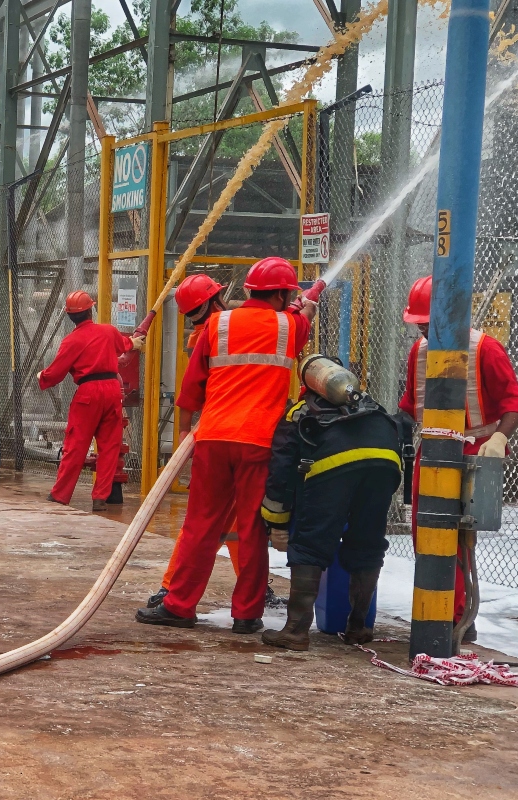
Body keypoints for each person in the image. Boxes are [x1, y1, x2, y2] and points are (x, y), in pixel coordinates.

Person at [136, 257, 316, 632]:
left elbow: (192, 386)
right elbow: (301, 321)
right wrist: (307, 305)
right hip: (260, 441)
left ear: (248, 290)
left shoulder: (217, 324)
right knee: (252, 528)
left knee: (200, 524)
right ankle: (247, 615)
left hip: (214, 437)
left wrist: (186, 433)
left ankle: (179, 605)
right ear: (283, 294)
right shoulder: (289, 325)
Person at [398, 275, 518, 641]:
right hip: (431, 452)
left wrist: (500, 436)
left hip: (473, 452)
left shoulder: (486, 349)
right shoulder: (419, 351)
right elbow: (410, 404)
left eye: (426, 322)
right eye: (418, 323)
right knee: (426, 535)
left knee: (457, 539)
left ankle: (455, 617)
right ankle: (438, 611)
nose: (421, 329)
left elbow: (514, 402)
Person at [259, 356, 404, 651]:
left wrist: (276, 520)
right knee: (367, 543)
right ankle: (360, 626)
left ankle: (296, 631)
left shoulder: (300, 412)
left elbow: (282, 469)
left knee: (311, 543)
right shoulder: (370, 405)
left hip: (332, 467)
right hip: (385, 463)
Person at [144, 274, 240, 608]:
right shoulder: (215, 332)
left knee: (227, 524)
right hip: (238, 434)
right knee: (214, 523)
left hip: (216, 432)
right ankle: (172, 588)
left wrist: (185, 431)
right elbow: (191, 390)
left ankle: (172, 588)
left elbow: (189, 392)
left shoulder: (205, 333)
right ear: (217, 297)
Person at [38, 291, 145, 512]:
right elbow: (125, 345)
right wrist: (133, 343)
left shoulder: (71, 341)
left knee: (76, 446)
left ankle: (60, 495)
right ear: (90, 310)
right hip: (112, 391)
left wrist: (42, 377)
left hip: (88, 393)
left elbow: (55, 373)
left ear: (69, 316)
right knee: (109, 447)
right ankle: (100, 498)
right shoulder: (108, 331)